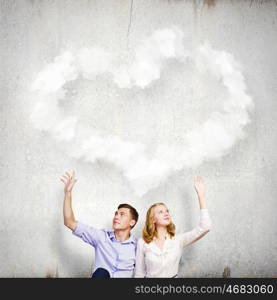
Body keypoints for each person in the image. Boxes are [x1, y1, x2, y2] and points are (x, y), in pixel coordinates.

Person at [60, 170, 139, 278]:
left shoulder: (138, 245)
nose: (116, 216)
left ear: (132, 222)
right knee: (101, 272)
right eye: (116, 214)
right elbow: (69, 222)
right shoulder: (101, 237)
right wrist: (68, 193)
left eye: (122, 214)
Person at [134, 176, 212, 278]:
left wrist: (201, 196)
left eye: (167, 211)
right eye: (160, 212)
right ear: (153, 219)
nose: (166, 214)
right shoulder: (142, 242)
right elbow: (139, 274)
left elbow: (205, 226)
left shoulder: (178, 240)